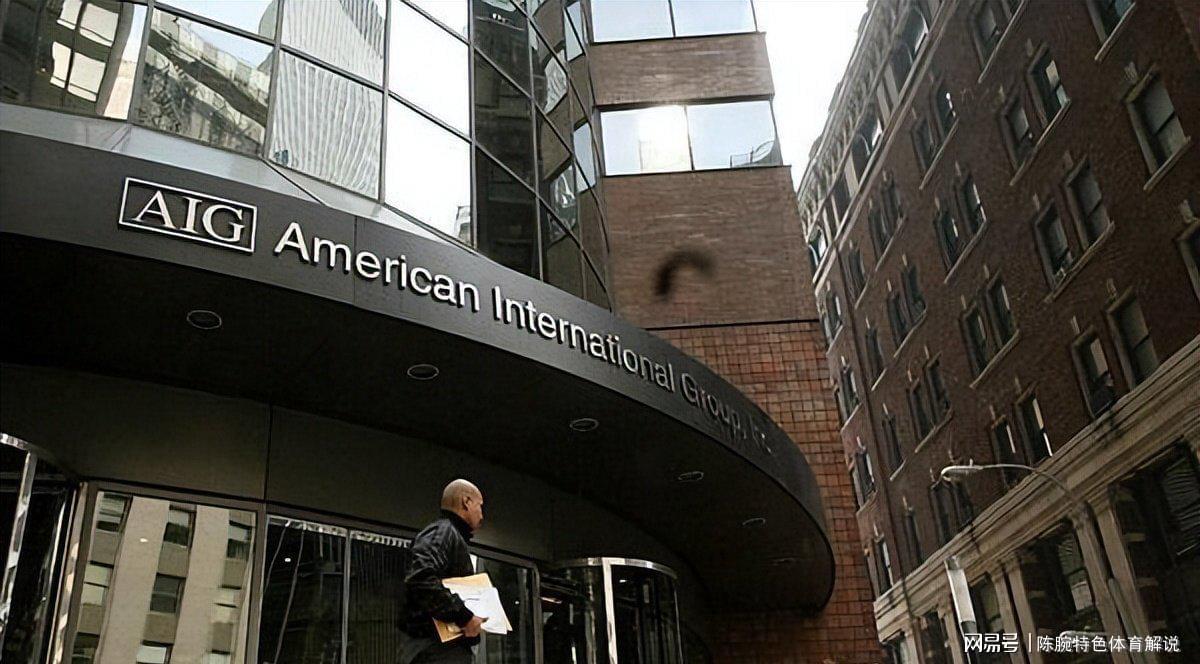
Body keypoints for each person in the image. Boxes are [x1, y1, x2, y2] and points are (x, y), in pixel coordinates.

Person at [400, 479, 488, 664]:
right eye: (480, 506)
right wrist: (464, 616)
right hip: (436, 649)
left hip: (442, 648)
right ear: (466, 502)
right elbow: (420, 579)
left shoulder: (447, 534)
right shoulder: (443, 532)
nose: (482, 514)